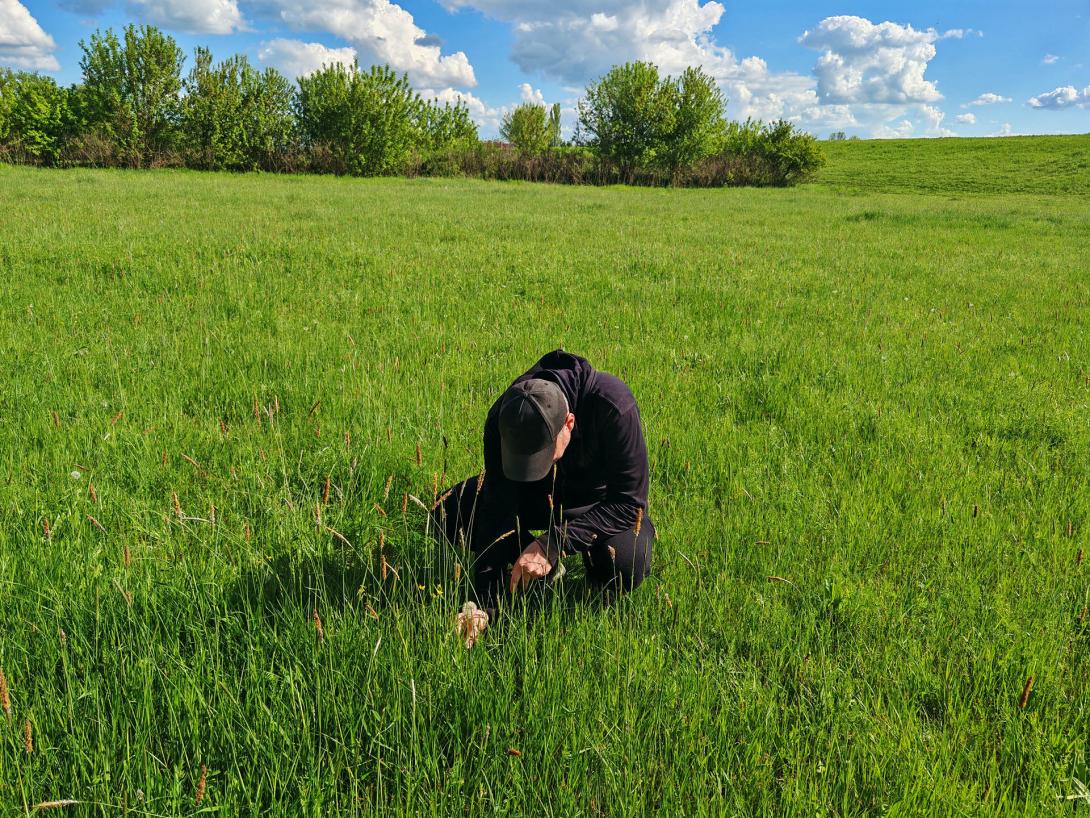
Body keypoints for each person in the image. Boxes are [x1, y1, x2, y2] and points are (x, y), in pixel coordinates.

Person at [434, 350, 655, 623]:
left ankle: (588, 569)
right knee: (445, 513)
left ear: (569, 424)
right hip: (532, 497)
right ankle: (537, 569)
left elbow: (630, 504)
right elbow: (497, 507)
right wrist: (483, 607)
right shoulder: (504, 416)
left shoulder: (614, 406)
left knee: (626, 561)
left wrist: (554, 542)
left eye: (542, 457)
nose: (537, 466)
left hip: (595, 506)